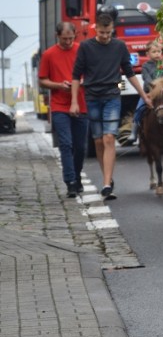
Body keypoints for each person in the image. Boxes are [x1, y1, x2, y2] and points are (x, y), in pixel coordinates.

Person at [70, 13, 152, 200]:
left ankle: (107, 185)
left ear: (112, 29)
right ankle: (108, 177)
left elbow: (129, 73)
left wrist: (143, 95)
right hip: (92, 97)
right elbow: (76, 75)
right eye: (101, 32)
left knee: (109, 138)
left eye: (108, 32)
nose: (105, 36)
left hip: (112, 97)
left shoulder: (119, 46)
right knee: (98, 141)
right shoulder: (85, 47)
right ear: (95, 29)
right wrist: (75, 101)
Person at [38, 22, 89, 197]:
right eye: (64, 38)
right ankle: (71, 181)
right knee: (66, 144)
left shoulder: (82, 50)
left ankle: (77, 175)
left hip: (81, 103)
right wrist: (59, 85)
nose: (68, 42)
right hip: (59, 105)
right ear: (57, 36)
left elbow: (90, 72)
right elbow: (42, 80)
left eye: (70, 38)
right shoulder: (48, 55)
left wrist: (81, 82)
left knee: (80, 147)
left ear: (75, 35)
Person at [129, 39, 163, 144]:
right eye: (154, 52)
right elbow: (147, 79)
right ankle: (134, 131)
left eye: (159, 51)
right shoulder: (145, 66)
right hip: (149, 94)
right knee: (139, 109)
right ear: (147, 54)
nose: (157, 54)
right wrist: (155, 86)